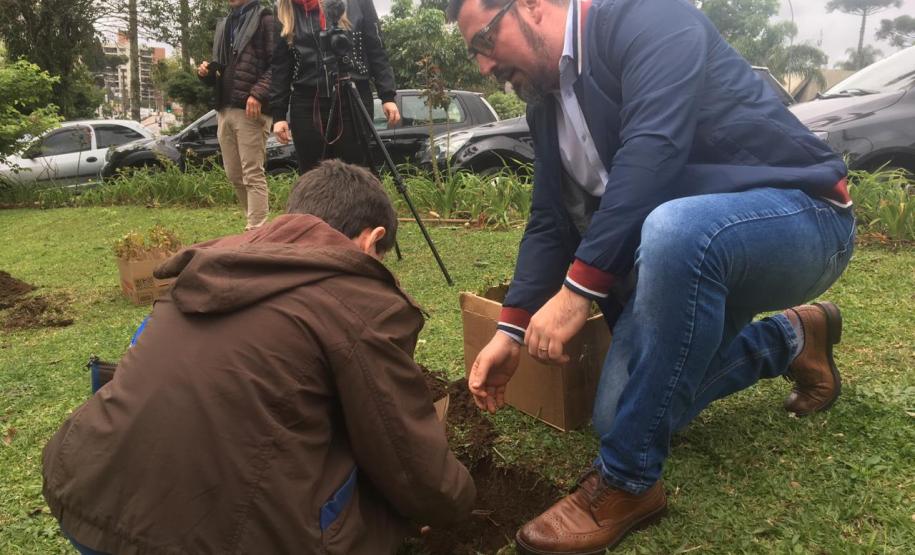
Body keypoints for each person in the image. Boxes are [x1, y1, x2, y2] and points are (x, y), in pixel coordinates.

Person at [449, 0, 855, 553]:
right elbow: (549, 220)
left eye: (485, 42)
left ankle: (628, 483)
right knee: (620, 411)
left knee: (673, 228)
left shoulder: (647, 18)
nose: (484, 67)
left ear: (531, 6)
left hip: (802, 219)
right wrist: (509, 329)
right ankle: (792, 338)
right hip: (692, 256)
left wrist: (575, 294)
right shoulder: (546, 105)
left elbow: (653, 151)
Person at [42, 160, 476, 555]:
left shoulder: (209, 267)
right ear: (372, 240)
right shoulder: (357, 300)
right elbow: (406, 459)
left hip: (84, 501)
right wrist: (458, 503)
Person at [269, 0, 401, 174]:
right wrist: (279, 115)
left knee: (352, 172)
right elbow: (280, 65)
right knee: (312, 174)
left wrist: (387, 96)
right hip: (307, 103)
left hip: (352, 96)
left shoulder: (358, 3)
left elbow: (376, 48)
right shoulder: (284, 8)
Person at [198, 0, 275, 230]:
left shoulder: (266, 20)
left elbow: (278, 66)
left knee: (252, 173)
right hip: (225, 107)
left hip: (251, 110)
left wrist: (258, 94)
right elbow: (223, 68)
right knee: (234, 174)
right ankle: (254, 226)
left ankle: (256, 231)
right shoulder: (227, 23)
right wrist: (207, 73)